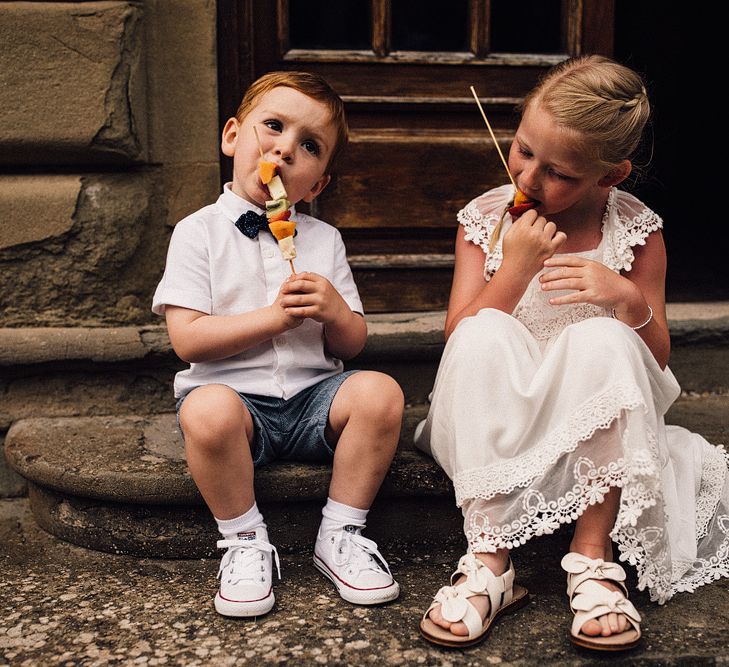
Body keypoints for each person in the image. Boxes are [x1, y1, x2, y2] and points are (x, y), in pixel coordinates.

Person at [415, 55, 729, 650]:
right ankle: (489, 563)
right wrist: (514, 268)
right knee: (485, 331)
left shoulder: (636, 231)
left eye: (557, 171)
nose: (529, 178)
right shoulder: (485, 219)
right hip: (495, 410)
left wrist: (627, 299)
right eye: (523, 150)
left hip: (590, 412)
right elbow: (458, 339)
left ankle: (593, 558)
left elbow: (656, 358)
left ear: (609, 176)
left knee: (602, 336)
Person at [152, 71, 404, 618]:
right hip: (234, 399)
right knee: (207, 414)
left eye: (309, 146)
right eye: (273, 127)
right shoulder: (197, 232)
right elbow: (186, 339)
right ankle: (244, 539)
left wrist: (336, 312)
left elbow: (353, 344)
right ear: (232, 137)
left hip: (316, 397)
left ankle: (340, 532)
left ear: (318, 185)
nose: (285, 149)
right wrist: (271, 319)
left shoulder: (324, 240)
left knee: (381, 394)